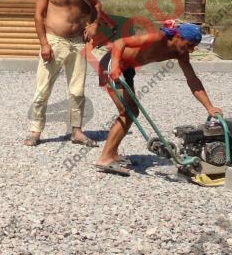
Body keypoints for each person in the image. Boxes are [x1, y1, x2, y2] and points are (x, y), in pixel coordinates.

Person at [94, 22, 223, 175]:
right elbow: (120, 42)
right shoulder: (158, 37)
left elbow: (192, 79)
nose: (191, 50)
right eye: (189, 45)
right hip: (112, 62)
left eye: (194, 47)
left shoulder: (181, 53)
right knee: (128, 112)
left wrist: (209, 107)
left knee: (132, 112)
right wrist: (115, 66)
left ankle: (113, 153)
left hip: (127, 69)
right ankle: (105, 158)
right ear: (178, 37)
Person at [25, 0, 102, 147]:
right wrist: (44, 43)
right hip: (54, 41)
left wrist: (94, 24)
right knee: (43, 88)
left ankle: (76, 131)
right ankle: (35, 131)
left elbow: (96, 5)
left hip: (77, 41)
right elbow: (38, 15)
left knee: (77, 90)